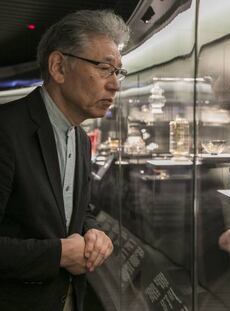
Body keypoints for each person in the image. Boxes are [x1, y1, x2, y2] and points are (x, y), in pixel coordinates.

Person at [0, 10, 130, 311]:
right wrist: (56, 254)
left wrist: (92, 232)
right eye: (104, 68)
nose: (115, 85)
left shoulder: (81, 139)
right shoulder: (7, 130)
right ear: (58, 67)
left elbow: (75, 211)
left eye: (118, 72)